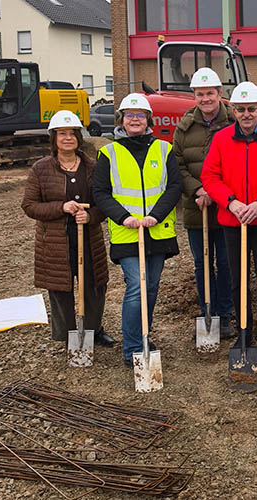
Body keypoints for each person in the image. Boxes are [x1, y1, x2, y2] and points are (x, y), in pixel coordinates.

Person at [201, 82, 257, 361]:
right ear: (234, 110)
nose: (246, 114)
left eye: (251, 109)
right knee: (237, 280)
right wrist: (232, 202)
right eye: (240, 109)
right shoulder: (221, 139)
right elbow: (210, 176)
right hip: (233, 220)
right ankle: (244, 332)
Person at [93, 93, 181, 367]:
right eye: (129, 115)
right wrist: (123, 217)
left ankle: (144, 332)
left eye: (139, 115)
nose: (134, 119)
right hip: (127, 232)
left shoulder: (164, 149)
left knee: (151, 286)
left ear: (148, 120)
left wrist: (156, 215)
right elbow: (101, 192)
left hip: (157, 230)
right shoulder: (109, 153)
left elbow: (174, 187)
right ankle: (132, 346)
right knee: (136, 286)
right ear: (121, 119)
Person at [22, 110, 114, 347]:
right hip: (55, 240)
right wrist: (61, 207)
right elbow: (30, 206)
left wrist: (91, 215)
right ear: (53, 138)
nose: (67, 138)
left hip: (88, 237)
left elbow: (105, 203)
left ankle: (93, 330)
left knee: (94, 285)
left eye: (72, 133)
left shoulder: (93, 166)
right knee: (60, 288)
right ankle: (66, 335)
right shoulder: (41, 169)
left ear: (79, 137)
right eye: (61, 134)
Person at [174, 67, 235, 339]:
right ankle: (206, 311)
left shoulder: (234, 122)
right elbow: (177, 165)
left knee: (226, 262)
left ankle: (225, 314)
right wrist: (198, 190)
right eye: (200, 94)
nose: (206, 98)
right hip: (196, 207)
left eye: (210, 93)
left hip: (226, 206)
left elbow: (239, 165)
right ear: (194, 96)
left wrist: (219, 193)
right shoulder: (184, 127)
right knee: (202, 264)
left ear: (219, 94)